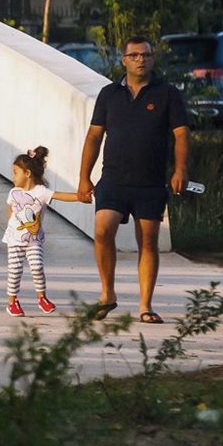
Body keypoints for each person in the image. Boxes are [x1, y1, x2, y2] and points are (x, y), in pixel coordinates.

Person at [76, 35, 191, 323]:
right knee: (103, 231)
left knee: (148, 242)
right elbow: (93, 136)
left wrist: (180, 169)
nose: (141, 60)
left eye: (147, 55)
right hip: (113, 179)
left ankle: (145, 306)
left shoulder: (168, 93)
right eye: (135, 55)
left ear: (153, 59)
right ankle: (107, 295)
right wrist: (83, 178)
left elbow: (181, 134)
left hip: (150, 182)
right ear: (124, 60)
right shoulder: (109, 94)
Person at [1, 145, 91, 317]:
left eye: (15, 172)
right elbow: (11, 213)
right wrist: (13, 232)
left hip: (34, 240)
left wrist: (80, 197)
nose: (13, 176)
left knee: (37, 267)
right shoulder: (13, 193)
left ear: (27, 174)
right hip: (15, 240)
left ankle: (42, 298)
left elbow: (60, 195)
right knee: (15, 270)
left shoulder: (40, 192)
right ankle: (12, 302)